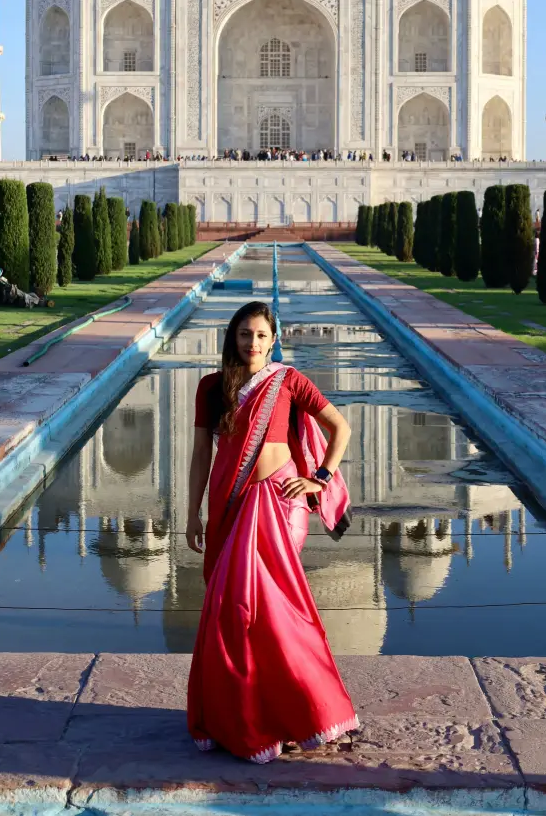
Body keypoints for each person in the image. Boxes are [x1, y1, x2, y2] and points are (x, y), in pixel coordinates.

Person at [185, 301, 357, 763]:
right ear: (232, 337)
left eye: (261, 335)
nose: (253, 343)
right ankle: (245, 716)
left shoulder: (288, 380)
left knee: (276, 611)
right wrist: (192, 513)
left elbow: (339, 427)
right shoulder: (211, 387)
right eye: (245, 334)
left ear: (274, 340)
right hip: (230, 501)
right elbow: (201, 454)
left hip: (282, 502)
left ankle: (299, 713)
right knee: (233, 613)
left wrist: (320, 477)